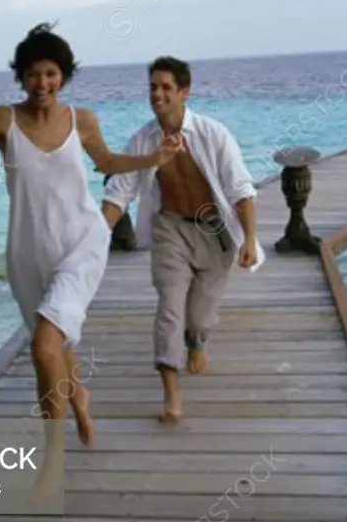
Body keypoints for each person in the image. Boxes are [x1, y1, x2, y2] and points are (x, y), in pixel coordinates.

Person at [0, 24, 183, 458]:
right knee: (59, 347)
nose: (42, 83)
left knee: (45, 347)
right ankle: (78, 398)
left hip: (81, 244)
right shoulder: (3, 119)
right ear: (20, 77)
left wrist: (153, 159)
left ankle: (52, 459)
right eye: (32, 74)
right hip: (27, 254)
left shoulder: (81, 120)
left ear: (63, 76)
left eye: (50, 73)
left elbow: (108, 162)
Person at [101, 55, 264, 423]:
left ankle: (198, 341)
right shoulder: (143, 140)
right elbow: (119, 192)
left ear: (184, 92)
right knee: (170, 308)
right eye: (153, 87)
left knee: (200, 316)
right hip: (169, 227)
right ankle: (172, 397)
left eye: (165, 87)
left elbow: (241, 188)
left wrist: (250, 239)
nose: (157, 94)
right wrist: (94, 240)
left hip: (213, 229)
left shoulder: (212, 134)